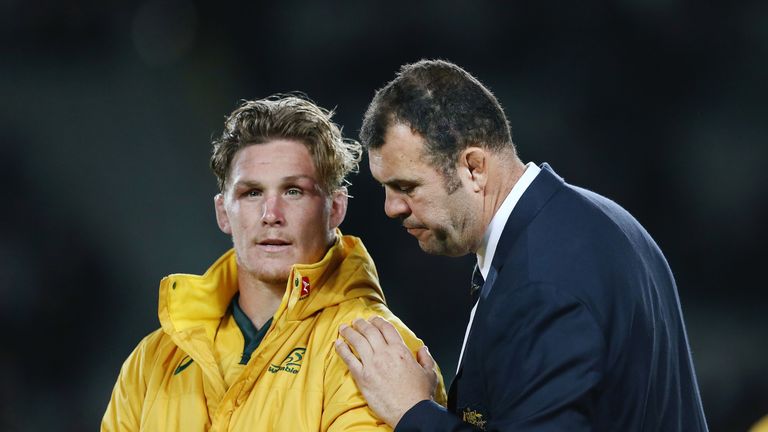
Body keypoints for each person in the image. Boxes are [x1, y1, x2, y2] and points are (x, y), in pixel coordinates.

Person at [335, 60, 708, 431]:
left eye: (406, 187)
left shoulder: (543, 282)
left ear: (474, 168)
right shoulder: (588, 219)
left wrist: (412, 412)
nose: (391, 208)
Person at [102, 94, 446, 431]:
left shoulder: (378, 352)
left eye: (293, 191)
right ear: (223, 212)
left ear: (336, 208)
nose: (271, 215)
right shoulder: (152, 361)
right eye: (252, 193)